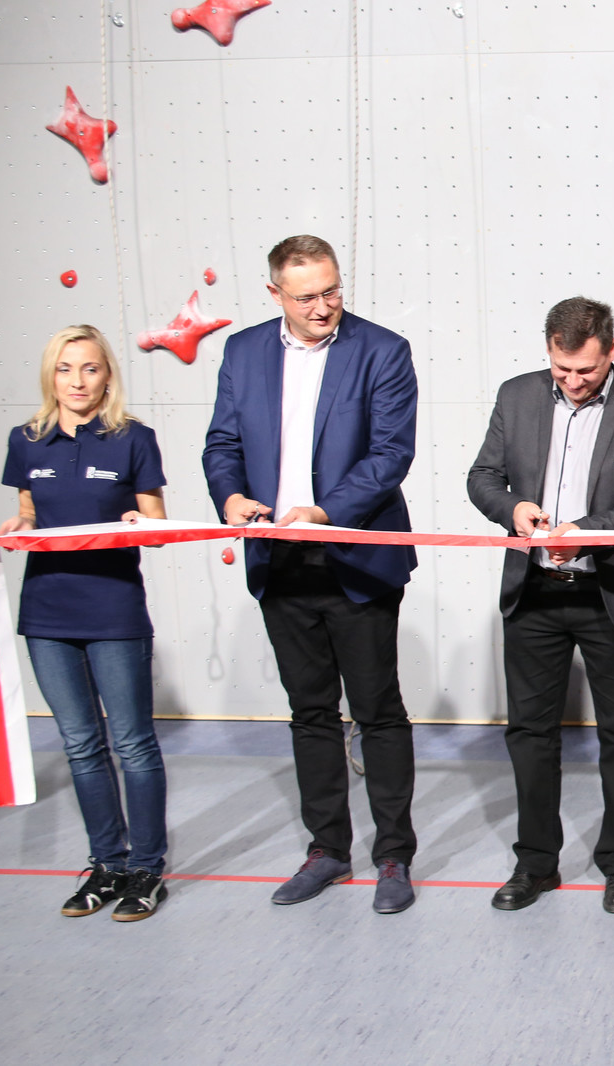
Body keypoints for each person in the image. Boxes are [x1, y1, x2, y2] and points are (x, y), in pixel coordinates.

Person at [203, 235, 420, 914]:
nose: (323, 307)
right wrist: (231, 497)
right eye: (306, 297)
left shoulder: (383, 350)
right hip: (279, 559)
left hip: (356, 556)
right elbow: (222, 444)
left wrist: (326, 512)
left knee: (378, 711)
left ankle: (394, 856)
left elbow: (390, 455)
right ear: (275, 295)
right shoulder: (242, 352)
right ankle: (327, 850)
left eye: (332, 291)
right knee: (310, 712)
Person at [467, 297, 614, 915]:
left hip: (610, 594)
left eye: (585, 370)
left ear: (611, 352)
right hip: (532, 592)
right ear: (549, 352)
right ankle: (536, 863)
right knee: (530, 733)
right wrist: (512, 509)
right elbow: (483, 477)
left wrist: (586, 531)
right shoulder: (516, 396)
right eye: (561, 369)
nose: (573, 381)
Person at [0, 325, 170, 921]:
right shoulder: (26, 439)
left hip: (114, 610)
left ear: (107, 375)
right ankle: (107, 864)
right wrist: (18, 528)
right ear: (51, 375)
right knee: (79, 744)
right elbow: (28, 513)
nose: (77, 381)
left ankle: (146, 869)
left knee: (133, 744)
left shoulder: (134, 438)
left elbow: (158, 525)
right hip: (46, 613)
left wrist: (141, 525)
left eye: (90, 368)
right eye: (65, 368)